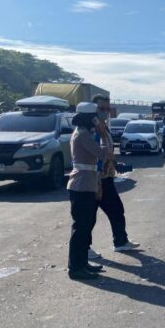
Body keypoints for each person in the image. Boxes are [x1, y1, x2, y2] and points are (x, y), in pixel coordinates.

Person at [88, 94, 140, 259]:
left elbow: (108, 151)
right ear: (93, 109)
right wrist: (97, 180)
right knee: (88, 215)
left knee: (116, 210)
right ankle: (85, 248)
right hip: (96, 179)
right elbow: (94, 153)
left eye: (107, 109)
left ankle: (120, 241)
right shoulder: (91, 128)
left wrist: (116, 165)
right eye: (101, 109)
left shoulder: (103, 126)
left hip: (106, 177)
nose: (105, 112)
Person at [67, 102, 108, 280]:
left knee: (86, 227)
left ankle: (82, 263)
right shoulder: (82, 135)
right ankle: (75, 268)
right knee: (81, 228)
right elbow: (103, 154)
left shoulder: (84, 133)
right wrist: (103, 133)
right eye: (95, 118)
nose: (97, 120)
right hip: (81, 186)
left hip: (87, 185)